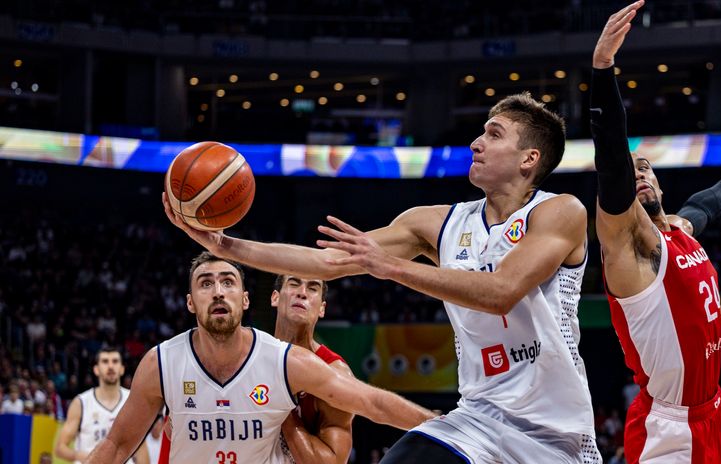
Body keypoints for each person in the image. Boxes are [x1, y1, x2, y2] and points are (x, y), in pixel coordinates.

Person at [163, 90, 601, 461]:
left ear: (530, 158)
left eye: (494, 133)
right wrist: (223, 245)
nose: (476, 142)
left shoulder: (560, 212)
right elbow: (326, 263)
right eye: (481, 131)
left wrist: (390, 266)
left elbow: (502, 292)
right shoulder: (435, 222)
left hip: (556, 432)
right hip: (480, 418)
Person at [589, 2, 721, 463]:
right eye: (630, 171)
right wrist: (602, 70)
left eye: (646, 165)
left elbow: (701, 209)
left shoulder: (676, 232)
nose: (639, 173)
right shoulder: (631, 246)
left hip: (713, 411)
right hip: (668, 425)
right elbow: (612, 159)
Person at [86, 252, 435, 463]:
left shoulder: (285, 362)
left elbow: (372, 402)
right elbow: (116, 446)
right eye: (206, 284)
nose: (219, 290)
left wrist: (446, 426)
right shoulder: (160, 362)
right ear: (190, 302)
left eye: (228, 282)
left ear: (246, 299)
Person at [272, 274, 355, 463]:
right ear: (275, 297)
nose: (302, 293)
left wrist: (280, 404)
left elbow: (332, 462)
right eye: (294, 284)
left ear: (322, 308)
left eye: (312, 288)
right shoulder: (250, 356)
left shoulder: (336, 372)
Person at [55, 348, 149, 464]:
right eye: (105, 361)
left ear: (122, 369)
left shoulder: (132, 399)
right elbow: (60, 448)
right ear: (96, 369)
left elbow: (141, 447)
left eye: (115, 361)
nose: (110, 366)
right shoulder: (81, 402)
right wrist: (83, 456)